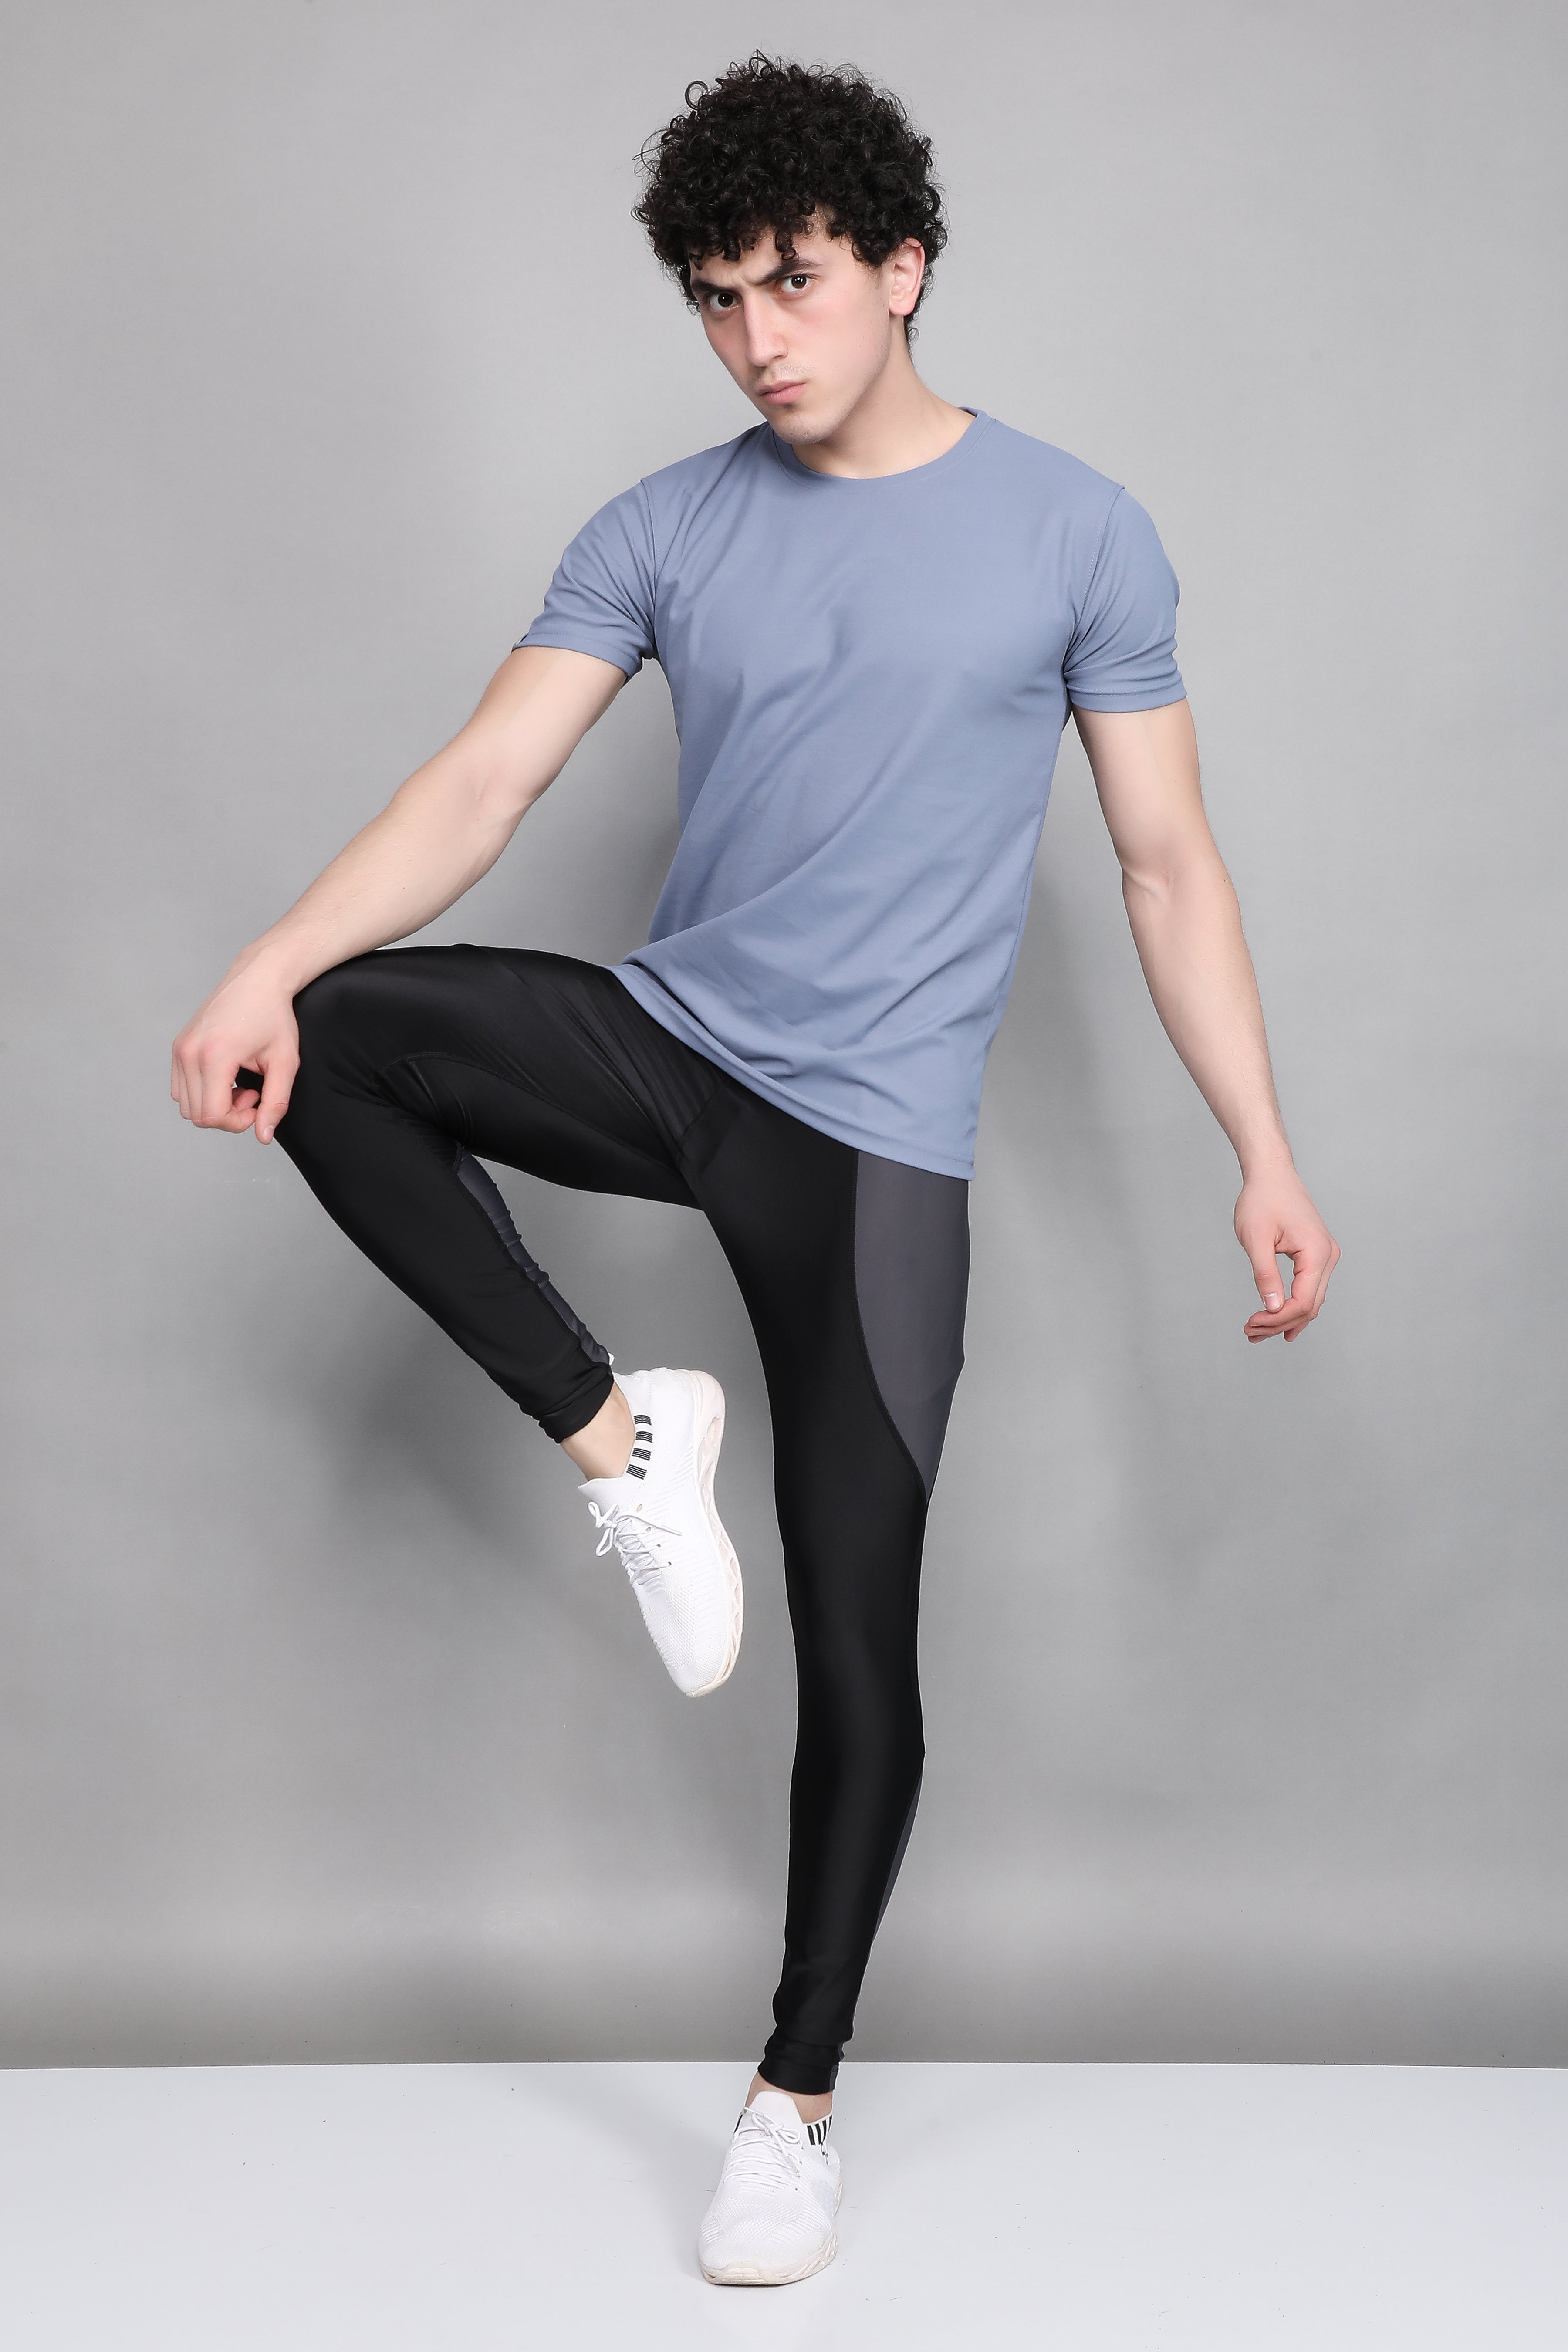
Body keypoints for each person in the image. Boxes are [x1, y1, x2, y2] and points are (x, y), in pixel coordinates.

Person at [170, 54, 1339, 2287]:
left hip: (877, 1151)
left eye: (792, 283)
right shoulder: (664, 525)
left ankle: (792, 2107)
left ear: (905, 268)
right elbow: (487, 782)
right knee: (327, 1041)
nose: (756, 337)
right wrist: (262, 963)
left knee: (857, 1645)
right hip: (677, 1051)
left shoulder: (1080, 531)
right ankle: (620, 1430)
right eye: (716, 298)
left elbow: (1168, 869)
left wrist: (1261, 1150)